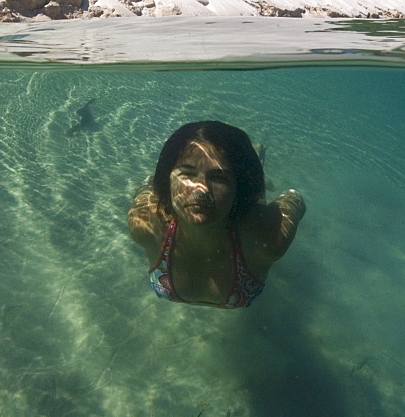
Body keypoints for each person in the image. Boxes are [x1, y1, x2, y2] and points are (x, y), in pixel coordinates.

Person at [127, 121, 306, 308]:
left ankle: (251, 163)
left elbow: (294, 200)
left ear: (238, 189)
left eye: (219, 177)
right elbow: (147, 190)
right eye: (187, 174)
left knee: (257, 196)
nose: (201, 189)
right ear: (168, 179)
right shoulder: (145, 222)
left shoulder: (269, 238)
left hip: (243, 209)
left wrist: (293, 197)